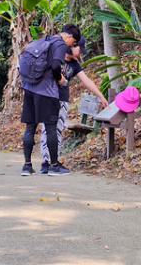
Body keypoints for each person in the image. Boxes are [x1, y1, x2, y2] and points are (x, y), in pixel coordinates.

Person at [38, 38, 108, 174]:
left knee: (57, 130)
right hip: (47, 97)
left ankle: (54, 161)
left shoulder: (75, 65)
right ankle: (45, 162)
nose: (80, 53)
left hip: (62, 99)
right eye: (80, 49)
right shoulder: (55, 56)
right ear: (73, 45)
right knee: (46, 129)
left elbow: (86, 80)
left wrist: (100, 96)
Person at [20, 24, 80, 177]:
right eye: (72, 42)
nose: (70, 46)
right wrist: (60, 80)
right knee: (51, 127)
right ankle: (53, 165)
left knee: (29, 128)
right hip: (46, 92)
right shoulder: (59, 44)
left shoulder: (45, 40)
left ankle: (27, 166)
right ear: (68, 36)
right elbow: (55, 66)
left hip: (29, 89)